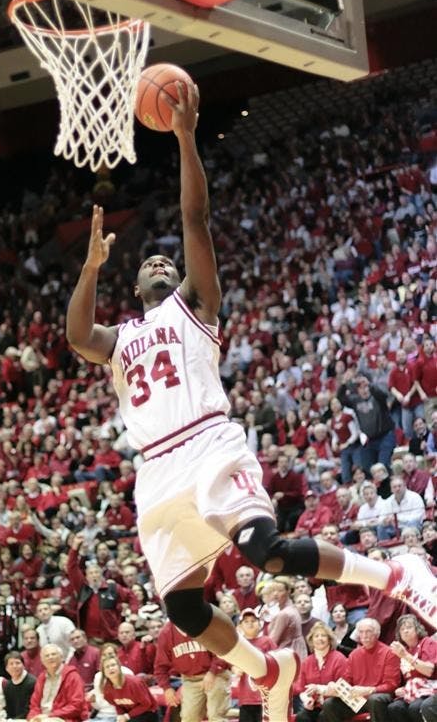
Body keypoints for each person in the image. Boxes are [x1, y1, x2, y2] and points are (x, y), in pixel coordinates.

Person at [66, 81, 437, 722]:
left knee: (265, 550)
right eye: (147, 262)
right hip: (156, 470)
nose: (159, 261)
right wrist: (91, 267)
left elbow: (193, 221)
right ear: (133, 283)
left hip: (208, 443)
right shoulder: (120, 337)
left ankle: (396, 574)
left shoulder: (195, 306)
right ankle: (267, 668)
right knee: (182, 609)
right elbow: (77, 336)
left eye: (165, 261)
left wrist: (184, 138)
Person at [320, 617, 401, 722]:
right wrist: (336, 686)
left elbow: (391, 684)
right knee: (329, 704)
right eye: (361, 632)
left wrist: (368, 690)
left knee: (375, 699)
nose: (364, 635)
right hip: (357, 699)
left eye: (368, 631)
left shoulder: (389, 653)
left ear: (377, 633)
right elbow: (347, 679)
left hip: (378, 697)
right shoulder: (354, 654)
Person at [154, 619, 231, 722]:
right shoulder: (166, 633)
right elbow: (160, 667)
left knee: (216, 716)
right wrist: (166, 688)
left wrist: (212, 672)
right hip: (190, 679)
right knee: (188, 718)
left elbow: (221, 651)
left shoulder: (204, 622)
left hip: (216, 674)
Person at [293, 621, 348, 721]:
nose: (320, 639)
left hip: (335, 704)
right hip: (315, 705)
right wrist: (307, 699)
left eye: (323, 635)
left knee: (323, 716)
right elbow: (301, 688)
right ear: (311, 640)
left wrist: (319, 689)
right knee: (301, 717)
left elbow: (342, 688)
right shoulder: (307, 661)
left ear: (329, 639)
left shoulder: (339, 658)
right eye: (316, 636)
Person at [387, 614, 437, 722]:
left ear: (417, 629)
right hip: (412, 692)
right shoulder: (404, 650)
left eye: (409, 627)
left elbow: (429, 671)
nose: (405, 631)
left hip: (430, 688)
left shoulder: (427, 642)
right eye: (402, 629)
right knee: (394, 708)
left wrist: (406, 656)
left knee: (415, 707)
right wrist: (401, 688)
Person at [27, 643, 86, 722]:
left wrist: (49, 715)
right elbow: (34, 705)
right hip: (42, 717)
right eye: (47, 656)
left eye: (53, 654)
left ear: (61, 657)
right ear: (42, 661)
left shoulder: (72, 676)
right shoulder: (41, 678)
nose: (50, 657)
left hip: (64, 718)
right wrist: (33, 717)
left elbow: (76, 705)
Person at [101, 654, 158, 722]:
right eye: (107, 667)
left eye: (113, 665)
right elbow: (117, 705)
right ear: (103, 672)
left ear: (119, 667)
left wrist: (127, 716)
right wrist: (121, 715)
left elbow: (146, 704)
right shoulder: (107, 689)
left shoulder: (135, 683)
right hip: (130, 714)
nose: (111, 668)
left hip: (149, 712)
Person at [2, 650, 36, 722]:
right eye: (11, 664)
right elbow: (9, 709)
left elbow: (30, 708)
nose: (15, 666)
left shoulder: (32, 682)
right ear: (6, 668)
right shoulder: (8, 685)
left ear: (23, 665)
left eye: (18, 663)